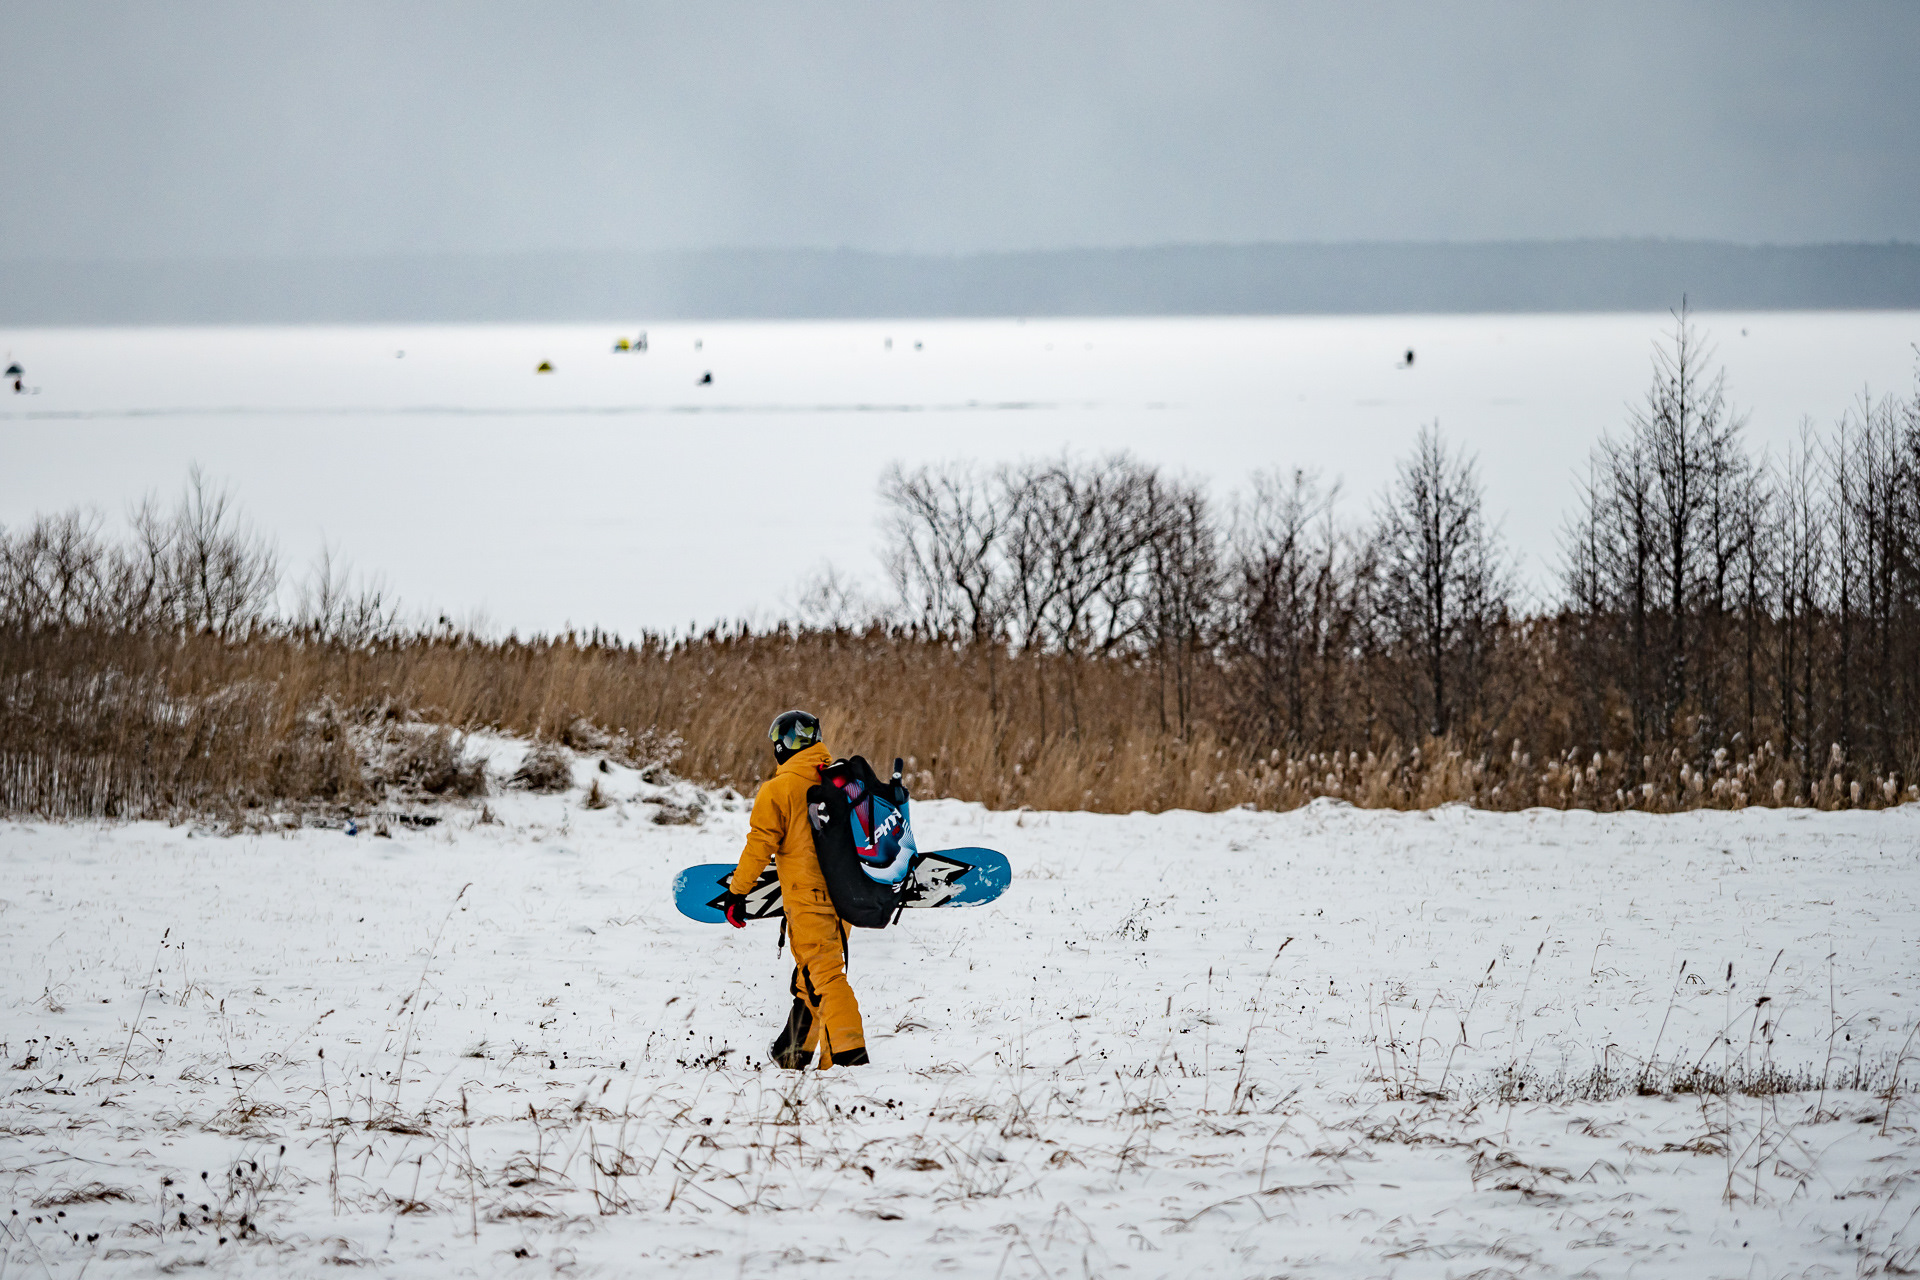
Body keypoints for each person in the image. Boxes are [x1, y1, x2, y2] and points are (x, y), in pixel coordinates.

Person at [718, 710, 869, 1070]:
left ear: (782, 747)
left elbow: (759, 846)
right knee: (812, 974)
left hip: (809, 899)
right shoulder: (844, 781)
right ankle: (794, 1052)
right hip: (846, 896)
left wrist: (738, 893)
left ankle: (851, 1059)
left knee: (826, 975)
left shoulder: (779, 789)